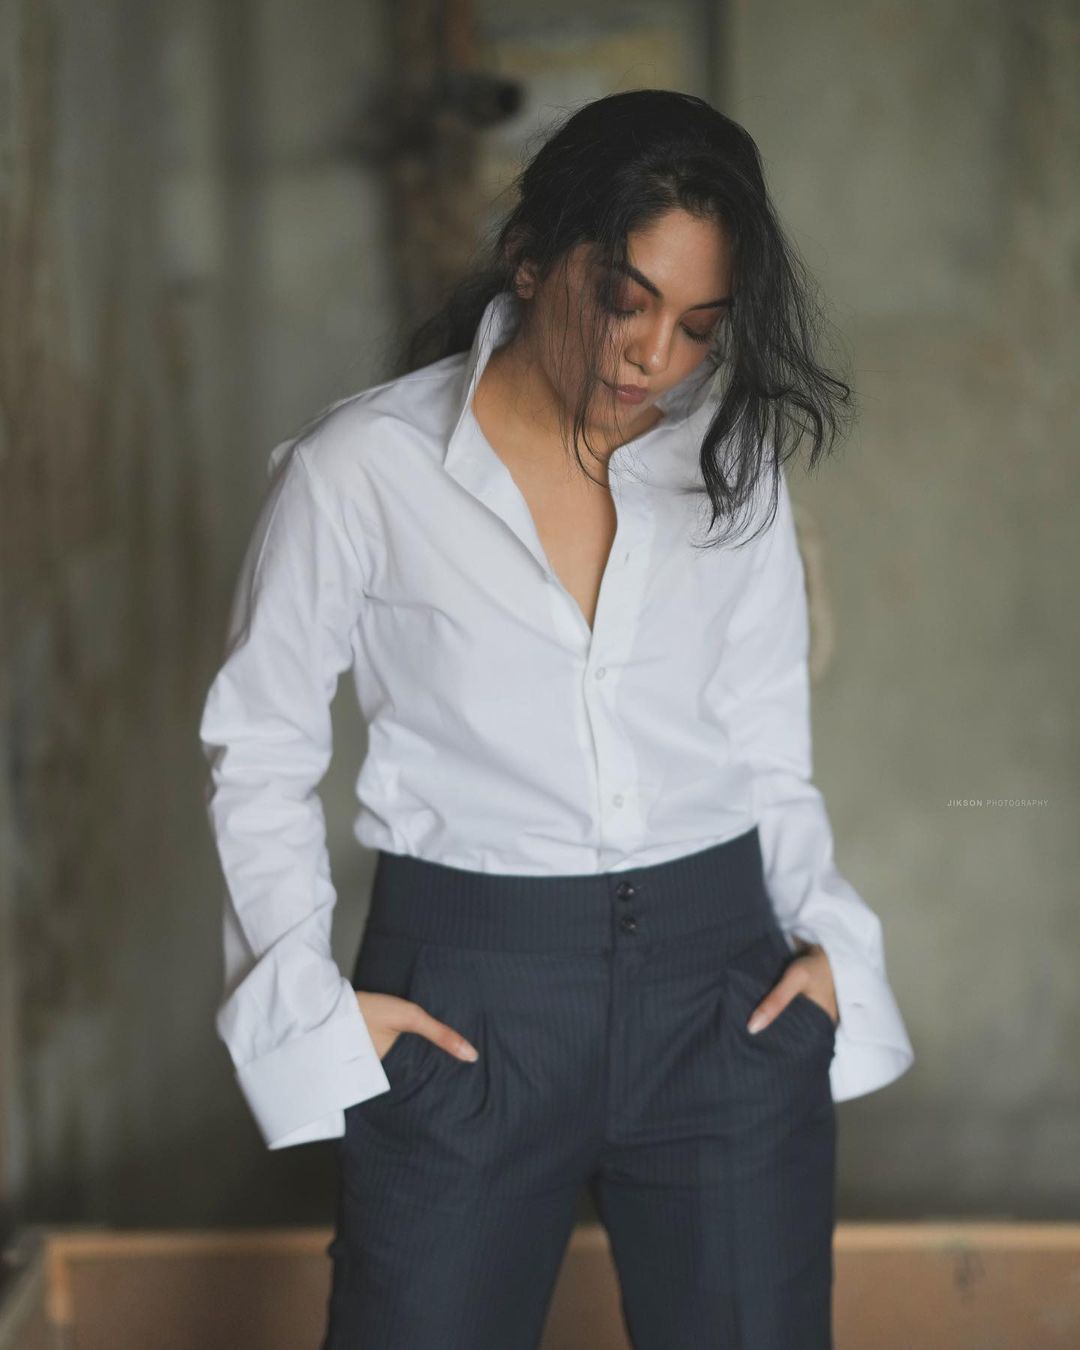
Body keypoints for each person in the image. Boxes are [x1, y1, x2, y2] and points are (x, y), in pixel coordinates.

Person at [198, 88, 914, 1350]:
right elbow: (258, 749)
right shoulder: (358, 471)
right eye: (625, 302)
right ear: (530, 260)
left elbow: (764, 743)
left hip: (725, 995)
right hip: (467, 1006)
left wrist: (828, 955)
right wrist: (306, 999)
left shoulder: (730, 468)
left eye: (699, 328)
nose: (655, 358)